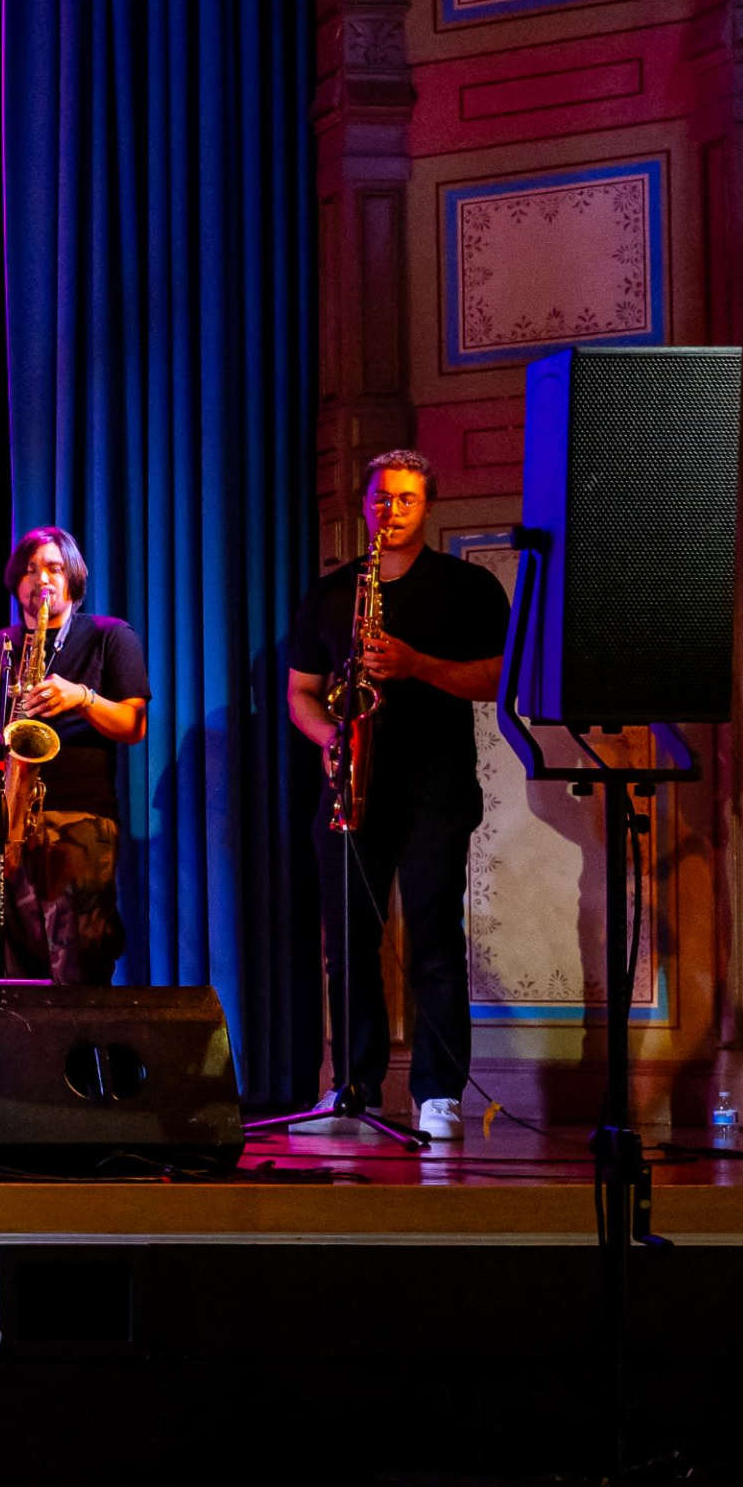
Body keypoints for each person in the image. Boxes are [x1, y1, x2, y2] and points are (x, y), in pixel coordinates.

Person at [286, 448, 511, 1143]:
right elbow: (300, 691)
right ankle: (353, 1087)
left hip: (433, 787)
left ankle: (438, 1092)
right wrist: (330, 738)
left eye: (406, 499)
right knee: (348, 946)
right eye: (382, 499)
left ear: (428, 504)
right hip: (352, 785)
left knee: (435, 940)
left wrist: (417, 664)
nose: (392, 511)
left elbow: (500, 678)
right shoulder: (331, 592)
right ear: (365, 504)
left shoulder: (466, 587)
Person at [0, 527, 149, 984]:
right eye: (32, 570)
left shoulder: (110, 637)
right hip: (7, 826)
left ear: (73, 577)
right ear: (16, 581)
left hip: (80, 823)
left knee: (79, 966)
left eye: (55, 568)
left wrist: (82, 698)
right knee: (12, 964)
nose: (43, 580)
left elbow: (134, 726)